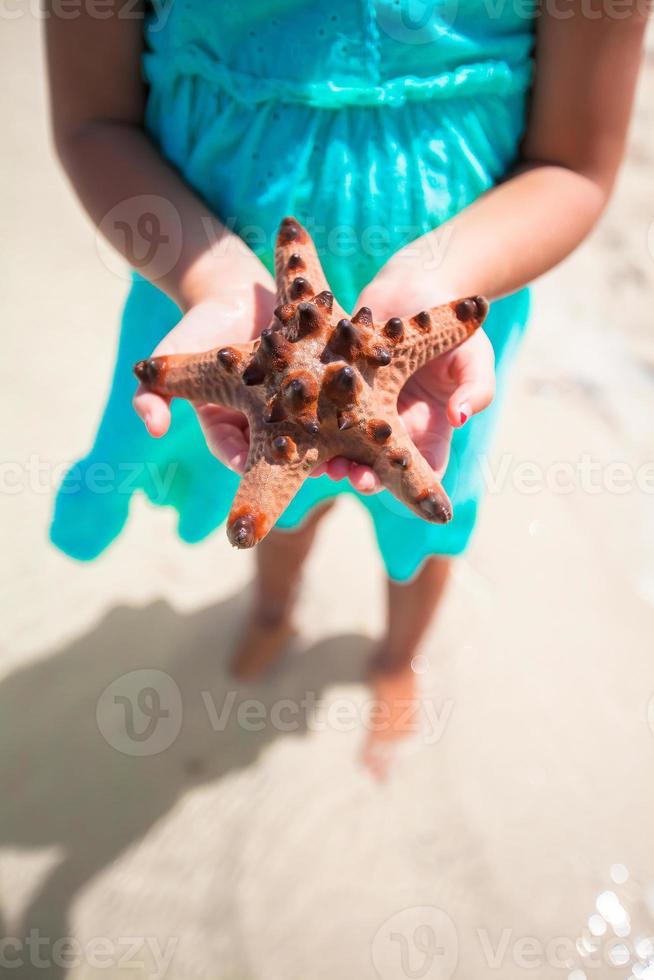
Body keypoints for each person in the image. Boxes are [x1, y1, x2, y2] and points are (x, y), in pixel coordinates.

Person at [46, 0, 649, 770]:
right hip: (217, 295)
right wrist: (213, 282)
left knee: (429, 504)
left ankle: (397, 656)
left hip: (447, 306)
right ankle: (274, 608)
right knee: (271, 496)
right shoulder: (251, 333)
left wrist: (449, 279)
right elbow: (93, 121)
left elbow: (575, 166)